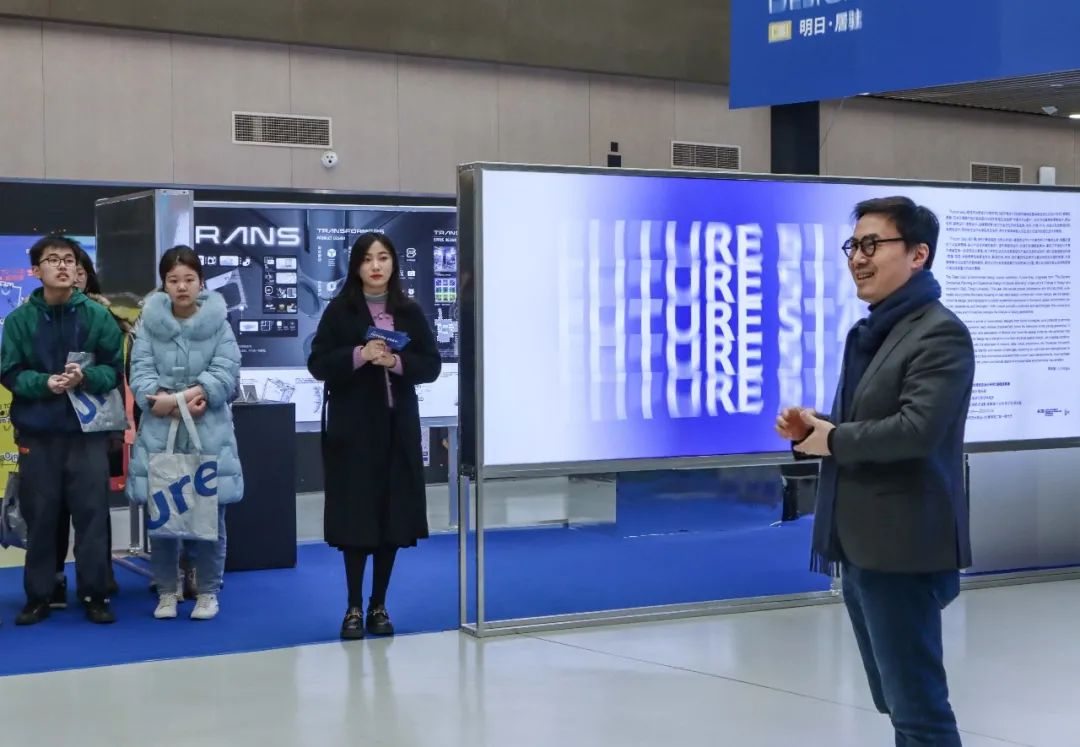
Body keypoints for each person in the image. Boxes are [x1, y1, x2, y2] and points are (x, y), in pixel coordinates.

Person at [776, 196, 974, 747]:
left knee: (918, 709)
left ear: (918, 254)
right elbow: (869, 422)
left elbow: (916, 431)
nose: (858, 258)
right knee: (896, 701)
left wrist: (834, 438)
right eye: (853, 246)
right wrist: (816, 429)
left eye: (872, 244)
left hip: (902, 547)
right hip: (861, 543)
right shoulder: (874, 332)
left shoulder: (939, 333)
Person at [308, 232, 441, 640]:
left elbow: (431, 365)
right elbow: (318, 363)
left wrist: (395, 361)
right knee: (356, 521)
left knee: (392, 521)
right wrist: (359, 355)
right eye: (367, 259)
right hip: (354, 434)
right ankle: (352, 606)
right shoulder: (340, 311)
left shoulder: (409, 311)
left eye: (383, 257)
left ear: (394, 263)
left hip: (398, 432)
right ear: (356, 266)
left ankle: (378, 604)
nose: (376, 266)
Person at [0, 235, 124, 625]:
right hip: (38, 435)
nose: (63, 266)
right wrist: (44, 384)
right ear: (36, 271)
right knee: (40, 519)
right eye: (53, 260)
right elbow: (9, 372)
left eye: (69, 259)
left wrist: (85, 378)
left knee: (92, 517)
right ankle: (39, 595)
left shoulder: (97, 316)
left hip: (87, 436)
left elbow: (113, 370)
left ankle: (95, 594)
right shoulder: (19, 321)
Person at [126, 246, 243, 621]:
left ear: (201, 282)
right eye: (173, 280)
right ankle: (167, 591)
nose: (181, 287)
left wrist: (191, 395)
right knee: (162, 518)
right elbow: (139, 372)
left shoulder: (219, 322)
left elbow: (226, 370)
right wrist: (165, 401)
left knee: (209, 520)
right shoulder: (149, 323)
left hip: (208, 432)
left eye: (189, 279)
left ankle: (208, 591)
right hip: (161, 432)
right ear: (163, 284)